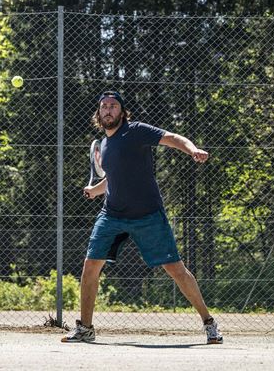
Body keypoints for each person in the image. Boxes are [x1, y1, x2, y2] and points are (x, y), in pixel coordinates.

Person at [61, 91, 223, 344]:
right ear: (98, 114)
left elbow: (171, 138)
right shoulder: (104, 144)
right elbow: (114, 178)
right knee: (90, 267)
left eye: (113, 106)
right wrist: (96, 190)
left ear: (122, 112)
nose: (108, 110)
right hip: (112, 215)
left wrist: (192, 149)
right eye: (103, 106)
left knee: (176, 270)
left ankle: (209, 323)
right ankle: (86, 329)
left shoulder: (135, 131)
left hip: (148, 215)